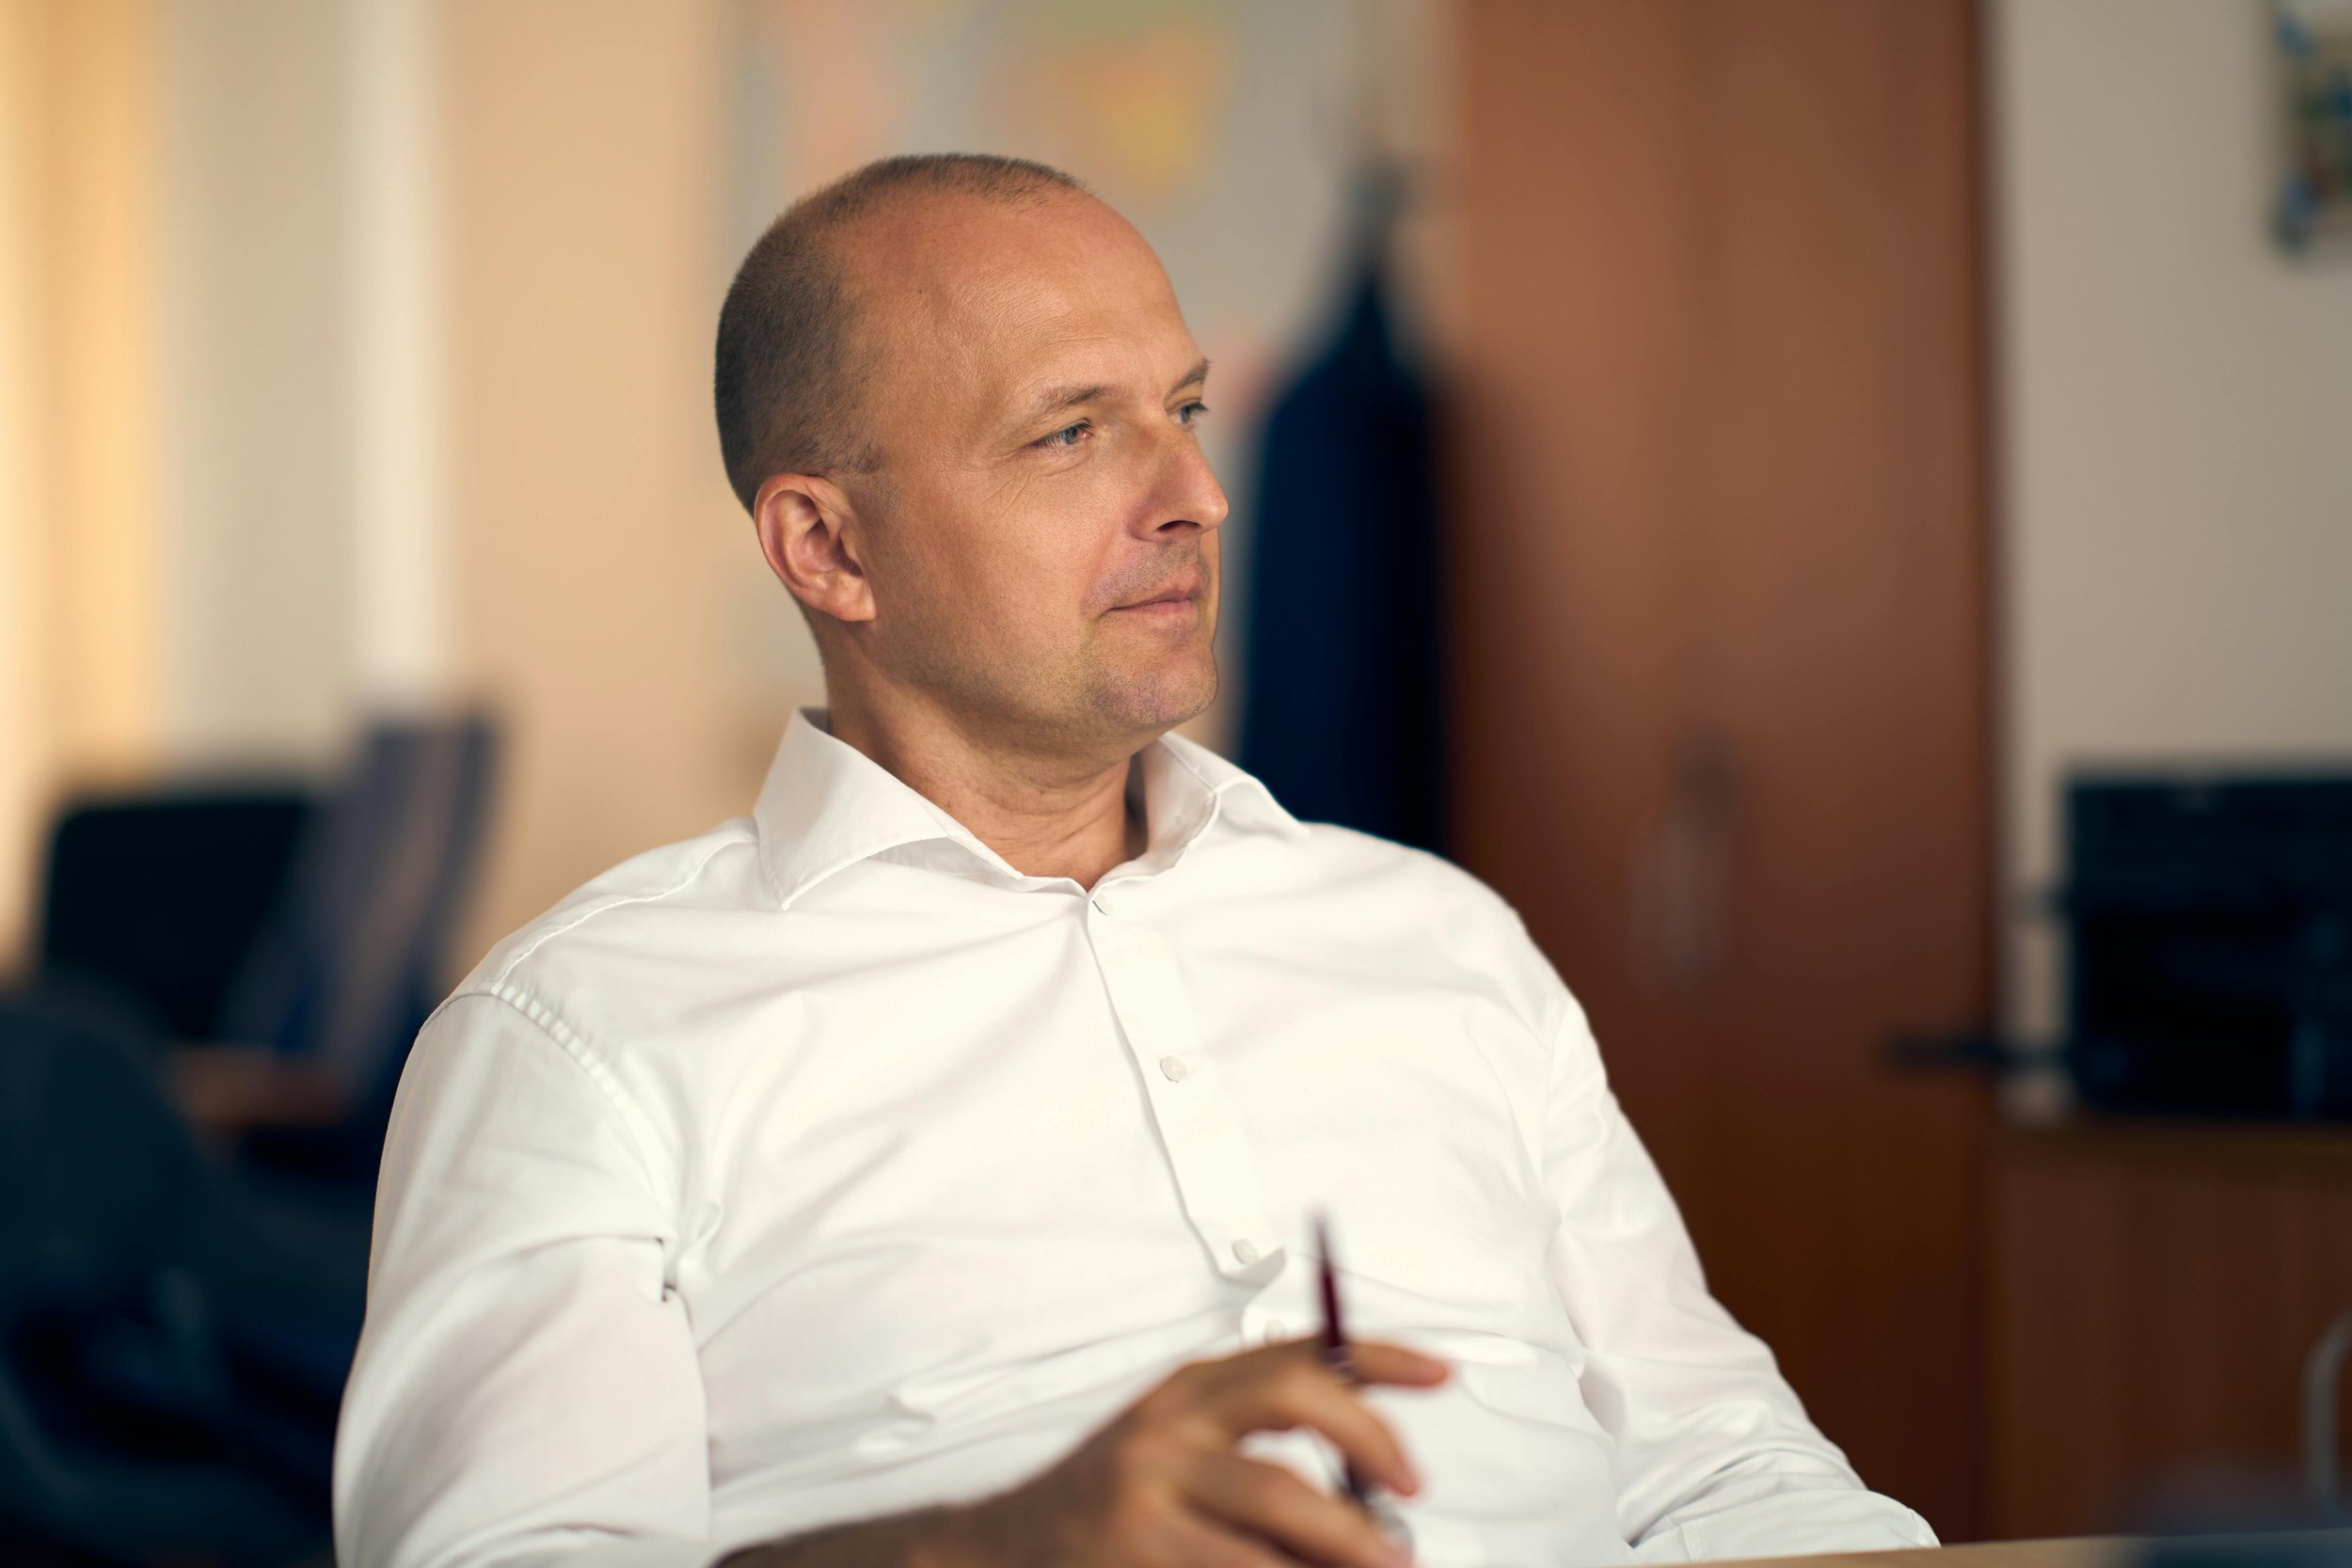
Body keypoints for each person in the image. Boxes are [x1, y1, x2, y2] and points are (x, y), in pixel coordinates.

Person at [331, 153, 1936, 1568]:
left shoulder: (1441, 937)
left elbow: (1726, 1474)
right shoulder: (586, 1038)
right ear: (827, 547)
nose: (1200, 497)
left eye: (1184, 410)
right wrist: (996, 1553)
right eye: (1070, 434)